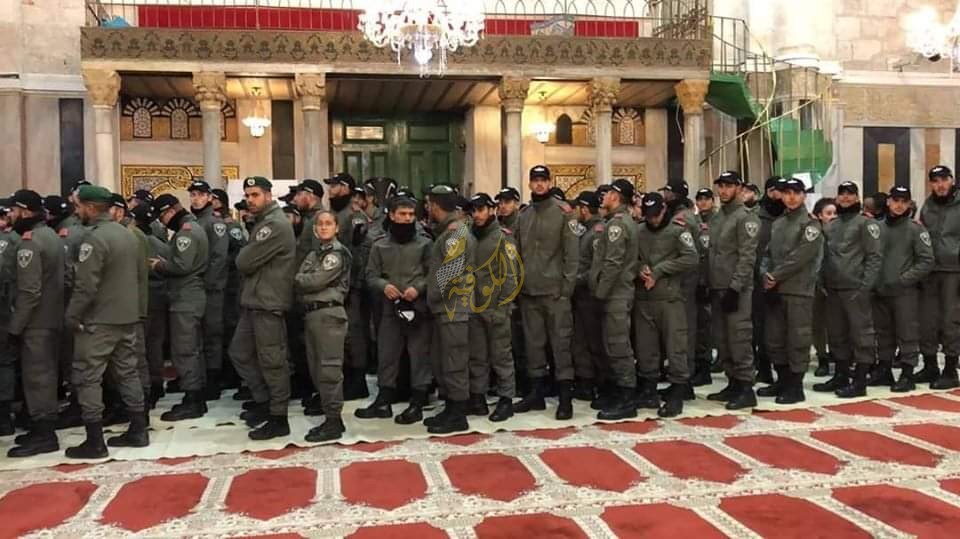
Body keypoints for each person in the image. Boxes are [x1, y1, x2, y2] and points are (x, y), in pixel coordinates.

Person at [63, 185, 148, 458]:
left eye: (79, 206)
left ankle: (94, 441)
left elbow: (86, 285)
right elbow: (139, 277)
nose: (77, 211)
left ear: (90, 207)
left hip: (99, 320)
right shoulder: (127, 234)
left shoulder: (94, 239)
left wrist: (72, 315)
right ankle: (139, 429)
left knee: (87, 377)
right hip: (127, 316)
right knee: (128, 372)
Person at [229, 176, 296, 440]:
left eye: (255, 195)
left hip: (268, 302)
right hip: (255, 300)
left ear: (269, 195)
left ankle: (279, 417)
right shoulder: (262, 222)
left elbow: (243, 262)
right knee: (240, 352)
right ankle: (264, 401)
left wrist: (246, 255)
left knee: (272, 361)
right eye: (247, 195)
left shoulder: (274, 225)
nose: (250, 200)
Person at [357, 196, 433, 424]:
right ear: (391, 215)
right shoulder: (380, 245)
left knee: (419, 356)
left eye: (411, 214)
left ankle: (418, 402)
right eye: (403, 214)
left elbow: (433, 273)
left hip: (417, 309)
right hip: (390, 308)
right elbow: (370, 275)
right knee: (387, 354)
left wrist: (418, 288)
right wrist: (384, 286)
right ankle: (383, 401)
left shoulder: (425, 244)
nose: (408, 219)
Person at [514, 165, 579, 420]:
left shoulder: (564, 212)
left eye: (543, 180)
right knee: (533, 346)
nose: (539, 184)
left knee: (561, 345)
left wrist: (566, 290)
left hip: (555, 293)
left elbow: (572, 255)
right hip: (529, 292)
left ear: (550, 182)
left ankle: (565, 399)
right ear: (530, 183)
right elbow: (517, 254)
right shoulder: (524, 215)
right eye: (535, 180)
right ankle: (536, 395)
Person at [5, 190, 65, 458]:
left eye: (14, 210)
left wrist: (15, 327)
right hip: (52, 316)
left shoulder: (30, 242)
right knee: (47, 375)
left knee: (37, 377)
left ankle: (45, 434)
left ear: (25, 211)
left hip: (36, 322)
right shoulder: (51, 235)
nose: (11, 215)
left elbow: (29, 292)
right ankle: (42, 428)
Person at [633, 192, 699, 418]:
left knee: (675, 346)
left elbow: (691, 258)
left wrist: (660, 270)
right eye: (648, 215)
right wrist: (639, 269)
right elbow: (630, 257)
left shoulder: (677, 230)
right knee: (646, 348)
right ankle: (649, 390)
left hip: (669, 299)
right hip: (644, 299)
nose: (652, 219)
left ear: (664, 210)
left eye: (656, 215)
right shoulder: (639, 231)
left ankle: (678, 392)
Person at [757, 178, 822, 404]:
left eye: (796, 192)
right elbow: (767, 253)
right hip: (776, 290)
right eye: (787, 193)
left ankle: (795, 385)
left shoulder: (810, 224)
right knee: (775, 338)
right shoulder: (779, 223)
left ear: (804, 196)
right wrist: (765, 274)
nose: (791, 197)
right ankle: (782, 380)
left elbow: (801, 257)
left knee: (797, 338)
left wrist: (775, 276)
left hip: (798, 290)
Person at [816, 180, 881, 398]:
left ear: (857, 197)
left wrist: (865, 287)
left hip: (855, 288)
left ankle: (860, 380)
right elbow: (824, 256)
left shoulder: (865, 224)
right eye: (842, 193)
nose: (845, 197)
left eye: (850, 194)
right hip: (833, 288)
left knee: (861, 334)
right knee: (836, 334)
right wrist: (822, 281)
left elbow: (874, 257)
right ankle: (841, 375)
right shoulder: (831, 225)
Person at [149, 194, 209, 421]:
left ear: (171, 211)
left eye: (162, 216)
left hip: (186, 297)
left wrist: (160, 265)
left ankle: (193, 399)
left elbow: (181, 265)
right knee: (192, 348)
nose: (163, 222)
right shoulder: (191, 227)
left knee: (185, 349)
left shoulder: (186, 232)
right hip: (189, 296)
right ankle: (196, 396)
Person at [870, 185, 934, 392]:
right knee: (883, 332)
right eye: (895, 200)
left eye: (903, 201)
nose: (899, 205)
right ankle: (884, 370)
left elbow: (926, 261)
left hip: (904, 292)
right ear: (888, 201)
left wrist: (903, 280)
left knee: (907, 333)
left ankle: (907, 373)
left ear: (909, 204)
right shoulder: (876, 228)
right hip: (880, 291)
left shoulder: (916, 230)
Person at [705, 171, 760, 410]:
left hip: (736, 289)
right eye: (721, 186)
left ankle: (746, 387)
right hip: (717, 287)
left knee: (739, 338)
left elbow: (747, 257)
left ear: (739, 188)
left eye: (728, 186)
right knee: (722, 338)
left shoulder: (745, 218)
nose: (723, 191)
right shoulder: (717, 218)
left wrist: (735, 288)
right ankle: (733, 382)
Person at [296, 210, 352, 442]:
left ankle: (333, 421)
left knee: (329, 369)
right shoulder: (314, 253)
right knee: (316, 368)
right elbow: (300, 277)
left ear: (337, 228)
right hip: (312, 314)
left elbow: (313, 280)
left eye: (329, 223)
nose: (324, 227)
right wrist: (304, 279)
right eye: (320, 224)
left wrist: (305, 279)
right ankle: (327, 411)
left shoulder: (337, 253)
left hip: (329, 314)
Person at [424, 184, 476, 434]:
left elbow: (450, 272)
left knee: (455, 361)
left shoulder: (455, 233)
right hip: (447, 307)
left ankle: (458, 414)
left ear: (435, 206)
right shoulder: (448, 231)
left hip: (453, 307)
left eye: (429, 204)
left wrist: (431, 296)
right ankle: (451, 408)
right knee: (444, 359)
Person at [588, 179, 640, 420]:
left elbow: (613, 264)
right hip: (615, 293)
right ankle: (618, 392)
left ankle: (628, 398)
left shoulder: (617, 225)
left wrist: (600, 293)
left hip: (615, 294)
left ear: (616, 196)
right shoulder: (618, 221)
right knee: (612, 345)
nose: (604, 196)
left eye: (608, 192)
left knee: (619, 346)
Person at [467, 193, 517, 422]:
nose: (476, 215)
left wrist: (502, 308)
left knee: (501, 356)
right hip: (473, 306)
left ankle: (506, 399)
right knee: (477, 355)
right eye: (473, 211)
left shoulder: (503, 238)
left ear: (491, 210)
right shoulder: (469, 236)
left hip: (495, 307)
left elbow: (511, 277)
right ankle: (478, 397)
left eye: (481, 210)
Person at [325, 172, 373, 400]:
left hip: (352, 285)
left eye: (334, 186)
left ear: (345, 188)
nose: (330, 190)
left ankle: (357, 380)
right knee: (340, 334)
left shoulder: (355, 217)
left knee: (354, 333)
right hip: (336, 284)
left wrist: (354, 284)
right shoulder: (333, 215)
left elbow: (359, 253)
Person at [917, 165, 960, 389]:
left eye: (944, 179)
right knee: (927, 320)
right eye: (935, 181)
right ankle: (930, 365)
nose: (940, 185)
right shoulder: (928, 206)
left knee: (950, 321)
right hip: (929, 271)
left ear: (952, 180)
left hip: (954, 271)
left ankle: (951, 370)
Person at [187, 180, 229, 401]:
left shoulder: (214, 223)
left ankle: (214, 380)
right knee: (198, 334)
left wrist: (208, 283)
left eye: (200, 195)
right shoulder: (194, 222)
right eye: (193, 195)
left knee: (212, 333)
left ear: (209, 198)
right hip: (196, 287)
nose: (196, 199)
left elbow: (219, 257)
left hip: (212, 288)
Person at [661, 179, 704, 386]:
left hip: (685, 280)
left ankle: (685, 373)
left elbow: (689, 253)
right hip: (680, 279)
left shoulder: (682, 218)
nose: (665, 196)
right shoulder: (677, 215)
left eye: (668, 192)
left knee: (684, 327)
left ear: (676, 195)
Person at [571, 191, 606, 404]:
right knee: (580, 341)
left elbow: (596, 267)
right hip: (580, 295)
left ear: (584, 209)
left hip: (591, 295)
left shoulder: (597, 233)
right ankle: (586, 382)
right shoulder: (585, 230)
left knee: (595, 341)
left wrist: (574, 280)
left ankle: (602, 385)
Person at [752, 177, 786, 384]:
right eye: (773, 190)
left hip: (786, 280)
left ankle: (785, 373)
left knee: (783, 327)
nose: (777, 194)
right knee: (761, 326)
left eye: (781, 190)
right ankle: (763, 367)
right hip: (759, 280)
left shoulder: (790, 215)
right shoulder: (754, 216)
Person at [0, 203, 20, 436]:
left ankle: (4, 415)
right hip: (10, 309)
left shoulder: (10, 241)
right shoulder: (16, 240)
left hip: (5, 310)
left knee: (4, 361)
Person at [811, 197, 836, 377]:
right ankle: (822, 358)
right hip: (815, 286)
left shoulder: (843, 235)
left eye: (835, 213)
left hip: (837, 284)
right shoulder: (813, 235)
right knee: (818, 324)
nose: (832, 216)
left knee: (838, 325)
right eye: (828, 213)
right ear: (819, 216)